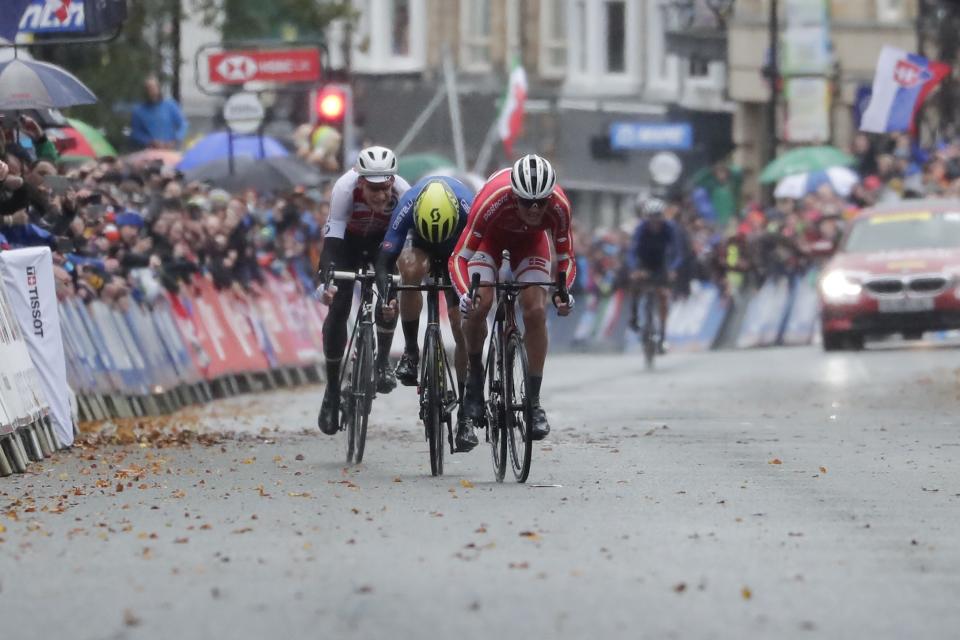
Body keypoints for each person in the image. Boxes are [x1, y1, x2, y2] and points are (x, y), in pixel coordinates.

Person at [450, 154, 576, 448]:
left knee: (534, 310)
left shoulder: (559, 206)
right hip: (488, 242)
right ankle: (475, 378)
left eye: (540, 203)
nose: (534, 210)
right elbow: (459, 257)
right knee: (480, 303)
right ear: (514, 196)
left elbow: (566, 258)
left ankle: (533, 402)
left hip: (530, 244)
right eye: (526, 203)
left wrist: (563, 291)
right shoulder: (493, 198)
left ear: (549, 198)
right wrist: (465, 293)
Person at [315, 146, 411, 435]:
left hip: (385, 244)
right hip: (349, 245)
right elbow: (331, 244)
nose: (381, 196)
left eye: (385, 188)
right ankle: (332, 390)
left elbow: (406, 245)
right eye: (373, 189)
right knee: (340, 304)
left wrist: (398, 281)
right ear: (360, 182)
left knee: (390, 291)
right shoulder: (344, 189)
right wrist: (326, 281)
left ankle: (382, 361)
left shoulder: (403, 192)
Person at [374, 176, 473, 448]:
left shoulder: (469, 208)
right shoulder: (407, 205)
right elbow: (384, 262)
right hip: (421, 245)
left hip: (458, 250)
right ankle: (411, 352)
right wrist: (387, 296)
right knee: (409, 269)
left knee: (460, 323)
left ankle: (466, 409)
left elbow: (483, 258)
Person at [627, 196, 684, 354]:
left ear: (662, 216)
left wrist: (673, 269)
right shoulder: (641, 228)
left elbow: (678, 253)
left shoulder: (669, 228)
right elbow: (632, 251)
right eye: (651, 218)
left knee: (663, 296)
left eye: (657, 217)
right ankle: (634, 317)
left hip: (661, 264)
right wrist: (634, 269)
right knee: (635, 285)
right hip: (643, 262)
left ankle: (663, 336)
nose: (654, 222)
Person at [130, 76, 188, 150]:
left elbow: (183, 124)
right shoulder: (138, 111)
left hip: (170, 149)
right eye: (149, 89)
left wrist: (176, 139)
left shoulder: (170, 105)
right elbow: (135, 133)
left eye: (154, 88)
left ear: (158, 88)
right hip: (149, 151)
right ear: (145, 91)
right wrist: (150, 141)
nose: (152, 91)